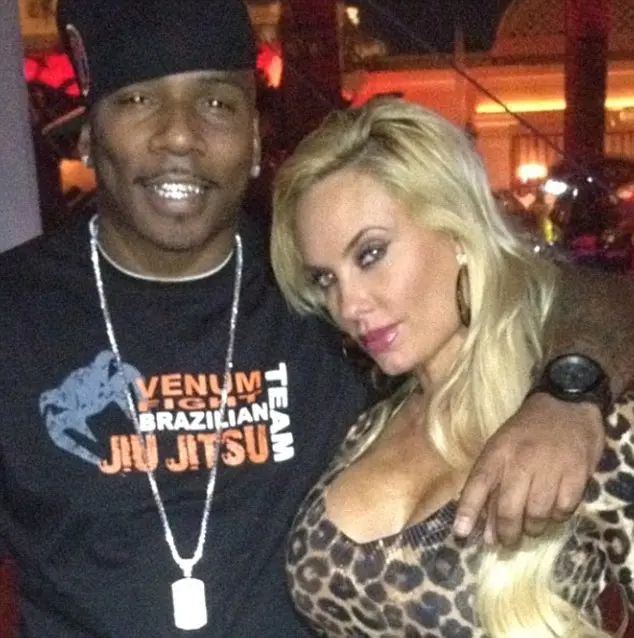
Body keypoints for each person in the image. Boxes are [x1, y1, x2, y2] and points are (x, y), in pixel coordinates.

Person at [0, 0, 630, 636]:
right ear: (87, 136)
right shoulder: (15, 313)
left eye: (217, 102)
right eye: (138, 100)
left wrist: (569, 391)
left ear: (254, 141)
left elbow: (575, 293)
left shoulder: (308, 290)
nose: (181, 135)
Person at [270, 96, 634, 637]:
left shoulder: (583, 422)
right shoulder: (366, 423)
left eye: (370, 254)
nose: (349, 306)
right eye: (326, 279)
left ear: (459, 232)